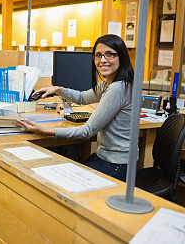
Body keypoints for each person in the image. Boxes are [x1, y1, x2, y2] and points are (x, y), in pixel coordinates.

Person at [16, 34, 134, 182]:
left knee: (61, 179)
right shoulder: (110, 83)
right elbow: (82, 98)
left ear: (121, 57)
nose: (103, 60)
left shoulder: (117, 88)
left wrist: (43, 130)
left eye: (110, 54)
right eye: (98, 55)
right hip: (106, 158)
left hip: (116, 165)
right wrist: (58, 89)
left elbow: (87, 131)